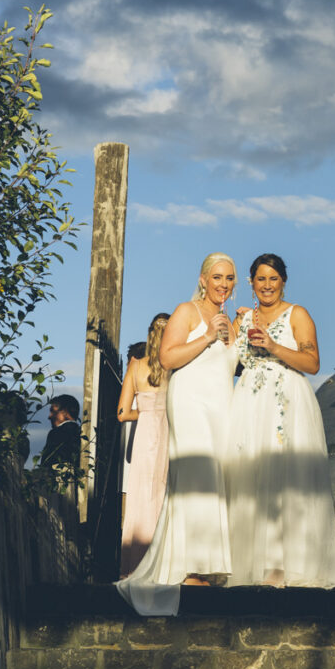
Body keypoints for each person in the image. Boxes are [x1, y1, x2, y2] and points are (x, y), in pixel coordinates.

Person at [224, 253, 335, 588]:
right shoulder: (243, 319)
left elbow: (312, 362)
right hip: (249, 404)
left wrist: (271, 345)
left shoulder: (297, 314)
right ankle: (246, 563)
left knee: (285, 481)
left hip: (285, 402)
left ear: (283, 281)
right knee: (248, 478)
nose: (267, 285)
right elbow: (229, 361)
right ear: (252, 284)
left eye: (273, 278)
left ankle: (282, 565)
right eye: (261, 279)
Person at [116, 253, 238, 615]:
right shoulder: (186, 311)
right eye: (217, 277)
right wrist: (208, 337)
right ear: (203, 279)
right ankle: (188, 567)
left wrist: (239, 334)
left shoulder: (227, 319)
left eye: (229, 278)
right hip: (190, 405)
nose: (223, 284)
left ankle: (207, 563)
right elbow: (168, 358)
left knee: (216, 482)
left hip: (220, 407)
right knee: (194, 479)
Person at [116, 314, 170, 578]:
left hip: (145, 435)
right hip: (170, 430)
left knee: (141, 497)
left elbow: (122, 413)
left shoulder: (135, 366)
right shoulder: (177, 367)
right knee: (165, 494)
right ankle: (164, 564)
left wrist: (147, 412)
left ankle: (136, 565)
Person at [38, 394, 81, 470]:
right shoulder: (82, 434)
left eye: (52, 411)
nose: (49, 416)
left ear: (65, 412)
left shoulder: (55, 434)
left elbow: (46, 465)